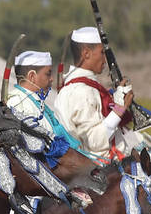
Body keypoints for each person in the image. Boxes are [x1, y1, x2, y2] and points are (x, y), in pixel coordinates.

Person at [54, 27, 140, 159]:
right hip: (105, 171)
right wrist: (119, 108)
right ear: (86, 53)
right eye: (102, 53)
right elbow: (94, 141)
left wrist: (117, 100)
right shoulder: (81, 91)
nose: (105, 60)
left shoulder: (83, 87)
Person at [6, 50, 82, 148]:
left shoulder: (36, 102)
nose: (52, 79)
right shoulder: (17, 102)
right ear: (32, 76)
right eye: (48, 74)